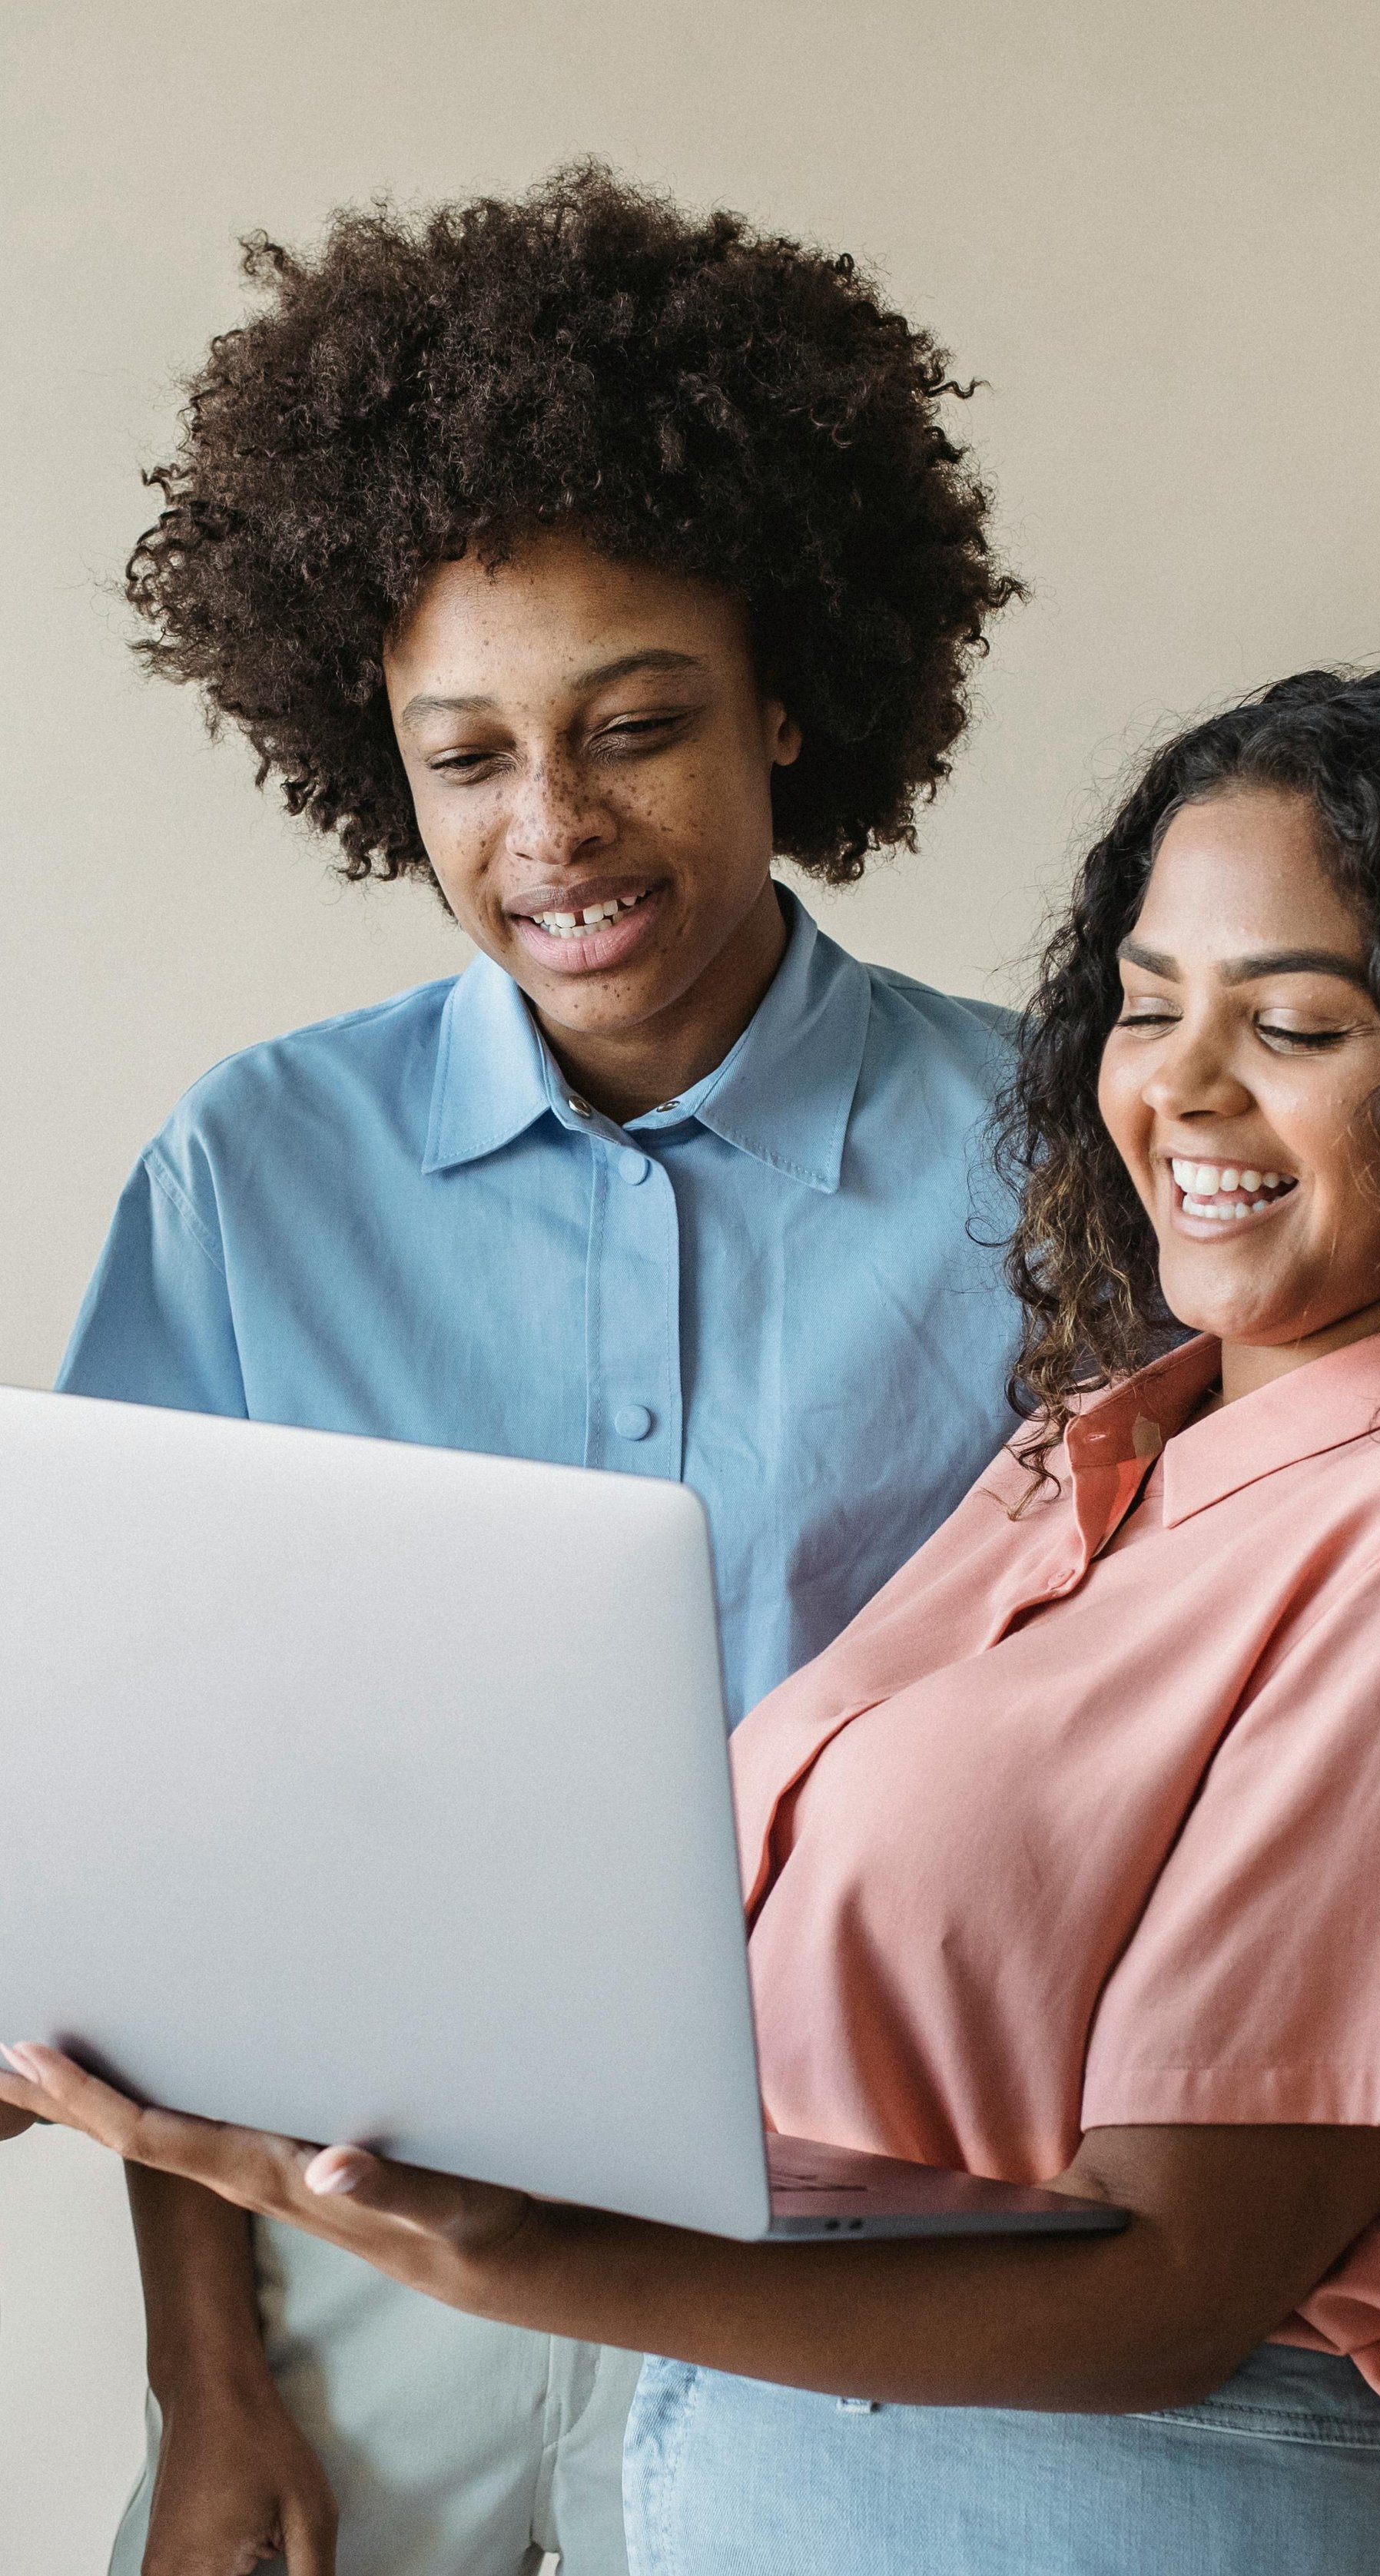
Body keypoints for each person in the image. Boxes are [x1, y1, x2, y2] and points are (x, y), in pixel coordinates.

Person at [9, 668, 1380, 2574]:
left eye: (1296, 1022)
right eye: (1147, 1004)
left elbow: (1170, 2290)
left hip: (1081, 2510)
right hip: (778, 2464)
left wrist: (534, 2253)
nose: (1184, 1087)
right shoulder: (1097, 1450)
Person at [55, 167, 1025, 2576]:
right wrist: (213, 2386)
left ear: (790, 691)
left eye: (634, 725)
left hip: (863, 2260)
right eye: (463, 755)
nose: (553, 828)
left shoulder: (1057, 1165)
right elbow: (141, 1843)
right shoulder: (254, 1166)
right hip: (368, 2247)